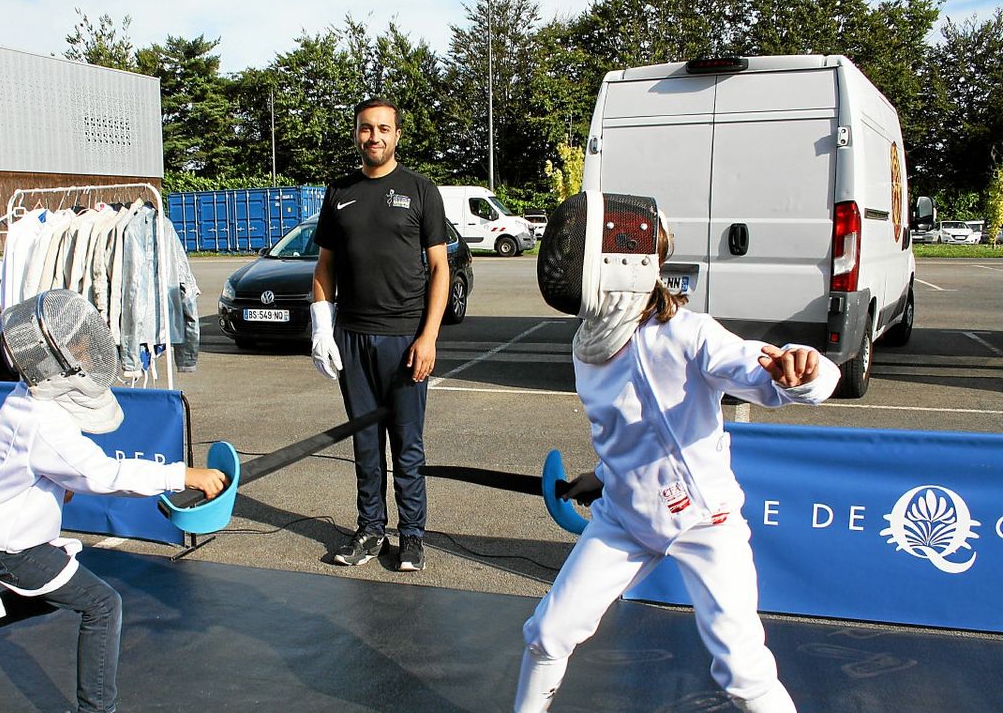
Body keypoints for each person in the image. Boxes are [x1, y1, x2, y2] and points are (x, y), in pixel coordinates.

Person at [514, 192, 839, 713]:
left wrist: (805, 371)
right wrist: (600, 477)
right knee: (547, 634)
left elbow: (765, 374)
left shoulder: (687, 334)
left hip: (706, 522)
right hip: (625, 518)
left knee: (743, 672)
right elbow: (624, 430)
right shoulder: (589, 345)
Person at [0, 289, 226, 713]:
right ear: (55, 359)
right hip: (8, 546)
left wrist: (44, 481)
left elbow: (5, 455)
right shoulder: (40, 422)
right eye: (77, 345)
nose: (86, 349)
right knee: (102, 605)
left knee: (49, 596)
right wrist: (182, 475)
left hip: (6, 536)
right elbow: (102, 474)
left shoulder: (25, 399)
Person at [311, 97, 449, 572]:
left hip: (405, 339)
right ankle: (371, 530)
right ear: (357, 134)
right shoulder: (339, 191)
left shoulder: (421, 190)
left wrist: (428, 337)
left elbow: (439, 268)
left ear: (397, 135)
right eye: (366, 128)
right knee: (366, 445)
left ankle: (411, 537)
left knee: (407, 446)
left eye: (383, 128)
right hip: (352, 338)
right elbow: (324, 267)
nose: (374, 137)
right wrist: (322, 328)